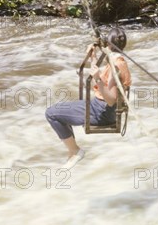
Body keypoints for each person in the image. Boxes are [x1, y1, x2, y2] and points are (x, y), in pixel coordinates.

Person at [45, 27, 131, 169]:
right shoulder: (117, 59)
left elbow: (111, 100)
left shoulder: (116, 66)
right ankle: (73, 151)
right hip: (101, 108)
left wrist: (97, 79)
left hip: (101, 112)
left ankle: (75, 151)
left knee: (51, 113)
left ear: (109, 44)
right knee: (60, 110)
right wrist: (93, 58)